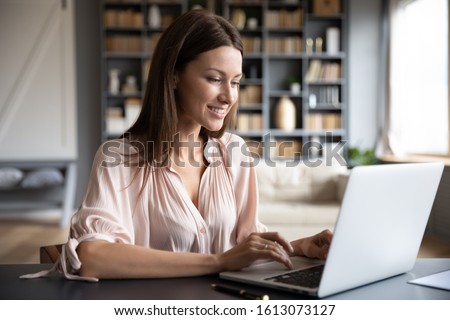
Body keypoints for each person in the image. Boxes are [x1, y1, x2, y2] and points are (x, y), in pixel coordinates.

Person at [23, 9, 331, 282]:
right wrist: (218, 261)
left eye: (235, 82)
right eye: (214, 78)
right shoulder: (118, 158)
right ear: (173, 76)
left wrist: (301, 246)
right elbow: (92, 258)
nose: (229, 96)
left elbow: (244, 247)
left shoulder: (235, 153)